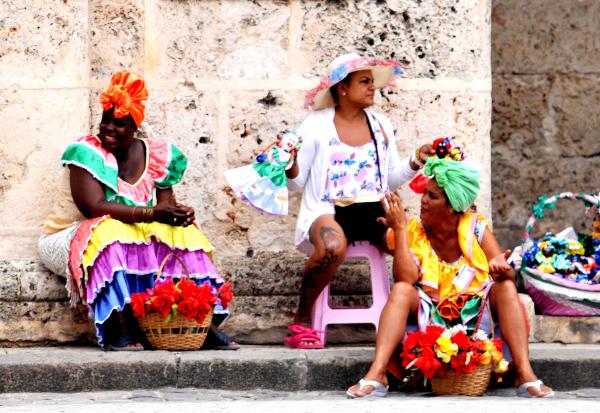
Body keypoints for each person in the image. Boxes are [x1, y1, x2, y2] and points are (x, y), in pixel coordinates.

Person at [38, 71, 238, 350]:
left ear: (134, 127)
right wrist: (154, 214)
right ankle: (116, 324)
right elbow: (93, 208)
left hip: (124, 236)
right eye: (105, 120)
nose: (108, 128)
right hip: (67, 239)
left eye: (119, 123)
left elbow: (164, 209)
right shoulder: (85, 152)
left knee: (184, 234)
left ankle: (198, 322)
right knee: (107, 228)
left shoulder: (157, 156)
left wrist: (179, 216)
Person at [346, 157, 554, 398]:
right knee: (402, 290)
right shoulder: (414, 231)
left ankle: (524, 374)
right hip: (430, 312)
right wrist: (401, 230)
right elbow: (405, 277)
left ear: (451, 206)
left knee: (506, 287)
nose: (422, 200)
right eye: (424, 193)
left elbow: (502, 268)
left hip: (476, 312)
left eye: (432, 196)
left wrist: (502, 270)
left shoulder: (476, 228)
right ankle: (378, 373)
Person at [284, 53, 434, 348]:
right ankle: (301, 319)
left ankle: (425, 321)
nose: (371, 88)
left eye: (372, 82)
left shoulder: (381, 124)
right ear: (342, 87)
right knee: (331, 247)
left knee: (415, 250)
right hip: (329, 209)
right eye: (364, 82)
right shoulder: (316, 125)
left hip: (374, 211)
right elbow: (297, 183)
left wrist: (416, 160)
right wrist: (289, 164)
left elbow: (389, 179)